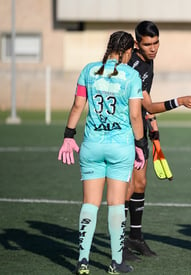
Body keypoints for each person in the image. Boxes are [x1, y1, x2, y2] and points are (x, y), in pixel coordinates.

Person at [58, 31, 146, 274]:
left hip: (92, 145)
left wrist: (68, 135)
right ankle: (116, 262)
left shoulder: (89, 69)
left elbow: (78, 105)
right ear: (128, 51)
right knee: (117, 204)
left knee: (90, 203)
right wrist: (141, 145)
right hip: (120, 147)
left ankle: (83, 261)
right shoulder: (132, 75)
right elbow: (136, 115)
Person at [123, 20, 191, 260]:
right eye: (147, 44)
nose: (153, 48)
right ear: (137, 44)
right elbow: (146, 103)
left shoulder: (148, 61)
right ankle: (119, 240)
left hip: (141, 127)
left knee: (141, 183)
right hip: (125, 129)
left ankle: (135, 236)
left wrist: (153, 127)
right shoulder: (132, 64)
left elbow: (146, 100)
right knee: (128, 186)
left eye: (156, 43)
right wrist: (179, 101)